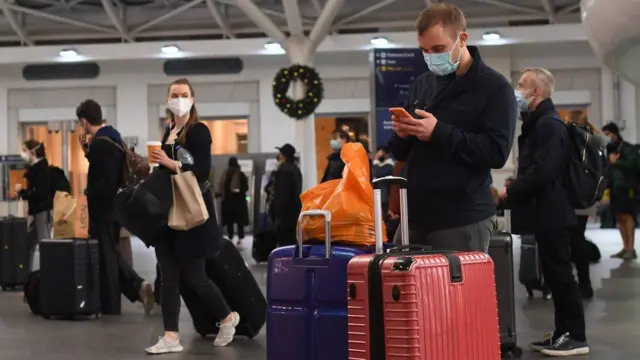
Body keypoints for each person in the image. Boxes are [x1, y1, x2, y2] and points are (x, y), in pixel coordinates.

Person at [389, 3, 516, 253]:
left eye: (438, 49)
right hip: (416, 215)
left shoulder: (494, 88)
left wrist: (438, 132)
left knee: (454, 291)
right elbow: (403, 154)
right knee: (404, 288)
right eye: (424, 50)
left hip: (462, 216)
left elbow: (496, 152)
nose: (431, 57)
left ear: (462, 39)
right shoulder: (422, 84)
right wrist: (402, 134)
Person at [145, 78, 239, 354]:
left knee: (195, 276)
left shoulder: (198, 131)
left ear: (192, 99)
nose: (179, 99)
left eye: (184, 95)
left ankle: (227, 317)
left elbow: (201, 170)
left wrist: (170, 163)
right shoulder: (168, 130)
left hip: (193, 212)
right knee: (169, 274)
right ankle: (171, 336)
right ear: (167, 100)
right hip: (169, 211)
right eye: (174, 95)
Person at [502, 68, 588, 357]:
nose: (517, 89)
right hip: (545, 211)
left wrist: (510, 191)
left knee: (561, 275)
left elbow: (544, 170)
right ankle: (563, 332)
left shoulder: (549, 125)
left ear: (535, 92)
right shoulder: (540, 123)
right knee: (553, 275)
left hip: (553, 211)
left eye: (521, 85)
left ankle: (576, 336)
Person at [76, 99, 154, 316]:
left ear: (84, 121)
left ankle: (111, 305)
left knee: (107, 257)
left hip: (104, 208)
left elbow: (106, 180)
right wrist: (88, 153)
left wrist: (88, 193)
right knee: (110, 252)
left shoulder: (101, 143)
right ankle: (138, 287)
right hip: (116, 207)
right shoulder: (113, 138)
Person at [566, 112, 607, 299]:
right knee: (579, 238)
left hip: (571, 194)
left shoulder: (571, 136)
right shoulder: (596, 139)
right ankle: (586, 284)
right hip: (588, 195)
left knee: (568, 240)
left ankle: (569, 284)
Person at [602, 121, 638, 260]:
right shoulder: (610, 150)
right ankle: (625, 247)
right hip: (614, 188)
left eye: (608, 134)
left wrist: (616, 162)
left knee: (627, 216)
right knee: (619, 217)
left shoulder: (628, 148)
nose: (606, 138)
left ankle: (631, 248)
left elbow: (634, 165)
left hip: (627, 187)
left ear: (615, 134)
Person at [17, 139, 52, 269]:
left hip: (42, 211)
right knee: (28, 243)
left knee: (45, 243)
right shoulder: (35, 168)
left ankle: (50, 273)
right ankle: (27, 273)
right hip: (36, 211)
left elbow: (40, 193)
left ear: (33, 152)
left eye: (25, 150)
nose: (23, 154)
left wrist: (25, 193)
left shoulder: (41, 169)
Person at [271, 143, 302, 247]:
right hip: (294, 214)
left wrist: (276, 213)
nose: (279, 156)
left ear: (284, 156)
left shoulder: (283, 171)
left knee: (284, 246)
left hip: (284, 217)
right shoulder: (296, 170)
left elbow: (282, 195)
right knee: (292, 245)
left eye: (280, 154)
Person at [216, 156, 249, 247]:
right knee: (240, 222)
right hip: (240, 202)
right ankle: (240, 240)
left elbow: (220, 188)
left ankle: (230, 238)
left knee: (229, 222)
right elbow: (246, 187)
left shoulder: (225, 174)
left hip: (228, 202)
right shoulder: (241, 174)